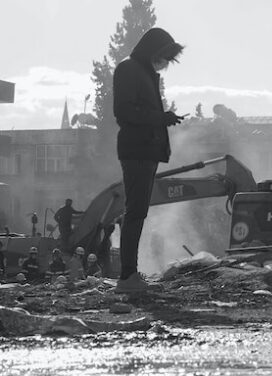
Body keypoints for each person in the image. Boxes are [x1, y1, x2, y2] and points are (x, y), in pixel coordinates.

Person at [113, 27, 184, 293]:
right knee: (135, 213)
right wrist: (160, 118)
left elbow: (139, 110)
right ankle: (127, 277)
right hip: (138, 150)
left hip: (145, 150)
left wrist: (162, 117)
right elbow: (124, 112)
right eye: (164, 56)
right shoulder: (129, 69)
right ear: (153, 50)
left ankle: (129, 275)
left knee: (138, 212)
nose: (165, 63)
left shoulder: (142, 72)